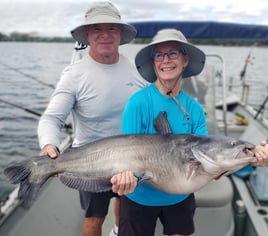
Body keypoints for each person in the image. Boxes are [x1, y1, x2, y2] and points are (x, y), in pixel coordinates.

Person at [110, 28, 268, 236]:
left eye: (173, 53)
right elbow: (128, 156)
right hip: (140, 198)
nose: (166, 60)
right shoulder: (137, 103)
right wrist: (124, 179)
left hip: (180, 197)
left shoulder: (194, 109)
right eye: (159, 55)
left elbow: (210, 160)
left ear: (185, 60)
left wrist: (251, 159)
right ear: (154, 62)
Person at [37, 1, 146, 236]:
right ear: (87, 34)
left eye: (112, 28)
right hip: (90, 162)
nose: (105, 35)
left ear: (120, 33)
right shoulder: (74, 75)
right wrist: (49, 145)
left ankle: (117, 230)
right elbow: (52, 118)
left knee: (124, 204)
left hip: (132, 159)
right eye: (97, 29)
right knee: (94, 217)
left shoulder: (137, 69)